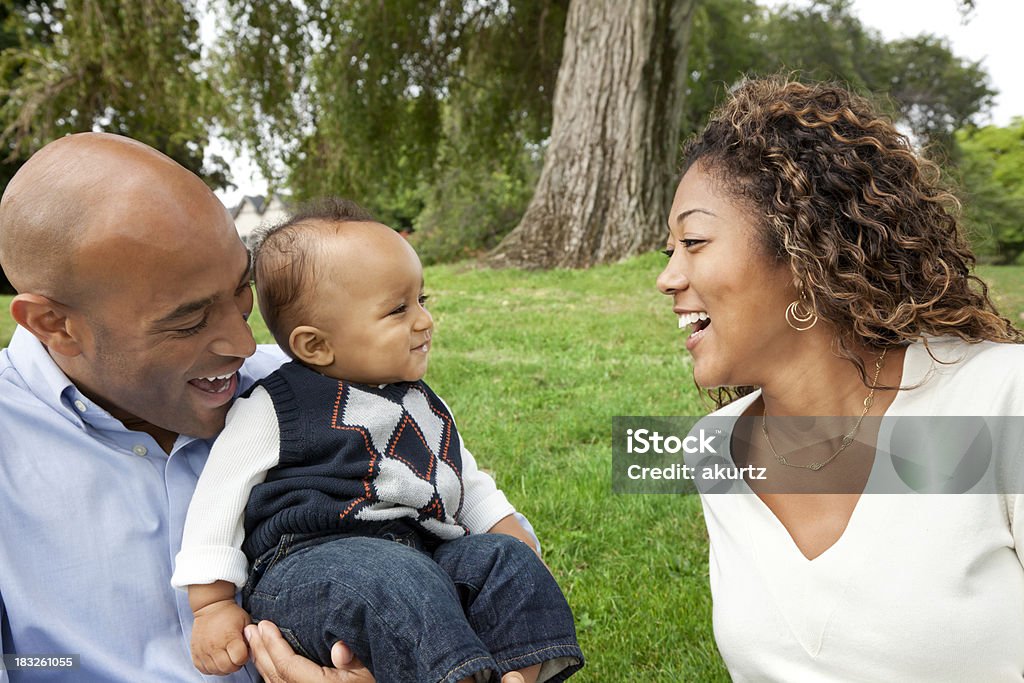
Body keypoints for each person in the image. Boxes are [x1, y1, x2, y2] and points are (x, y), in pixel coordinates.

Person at [656, 77, 1024, 681]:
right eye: (668, 251)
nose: (668, 278)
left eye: (694, 242)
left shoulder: (1000, 398)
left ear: (803, 256)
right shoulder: (713, 451)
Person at [0, 133, 388, 682]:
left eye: (241, 289)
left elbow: (471, 523)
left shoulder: (306, 387)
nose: (244, 344)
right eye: (187, 321)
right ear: (55, 325)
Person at [171, 199, 583, 683]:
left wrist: (509, 537)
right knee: (395, 576)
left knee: (507, 560)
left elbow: (465, 482)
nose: (425, 321)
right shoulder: (277, 405)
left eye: (422, 301)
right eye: (398, 309)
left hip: (421, 555)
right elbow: (220, 498)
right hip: (312, 567)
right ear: (315, 345)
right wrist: (214, 603)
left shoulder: (425, 402)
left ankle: (519, 675)